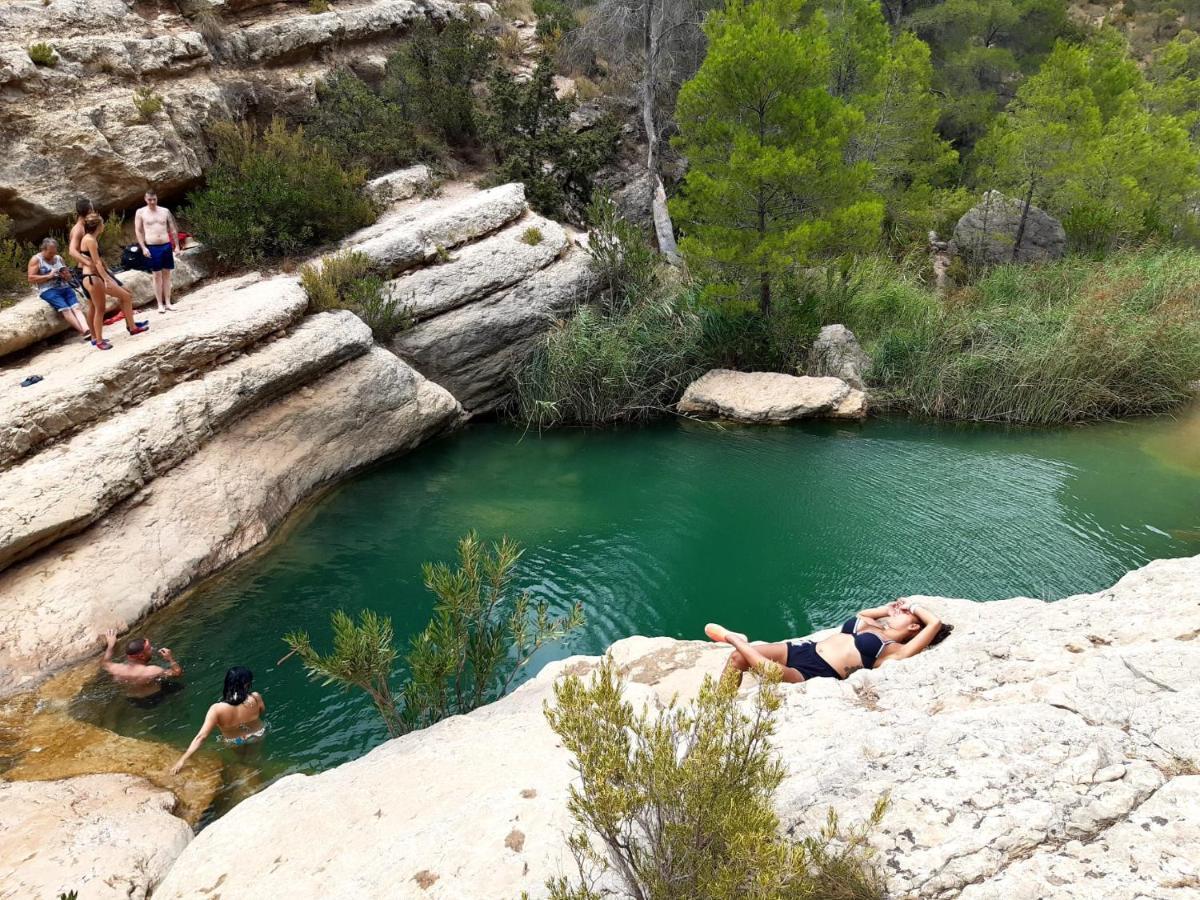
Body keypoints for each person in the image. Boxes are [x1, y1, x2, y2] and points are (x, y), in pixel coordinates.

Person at [706, 600, 951, 685]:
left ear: (914, 627)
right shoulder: (872, 624)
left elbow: (935, 623)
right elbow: (863, 614)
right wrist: (889, 609)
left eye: (904, 613)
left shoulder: (894, 651)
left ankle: (734, 638)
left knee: (764, 670)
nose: (898, 610)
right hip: (805, 649)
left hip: (816, 671)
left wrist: (914, 607)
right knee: (737, 659)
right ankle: (717, 708)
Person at [68, 197, 148, 335]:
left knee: (125, 293)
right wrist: (88, 263)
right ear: (89, 209)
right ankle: (95, 337)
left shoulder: (88, 226)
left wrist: (104, 268)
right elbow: (72, 251)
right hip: (87, 272)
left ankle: (131, 324)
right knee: (95, 306)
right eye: (92, 208)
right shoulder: (79, 229)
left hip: (97, 269)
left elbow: (94, 252)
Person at [171, 667, 267, 775]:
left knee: (242, 761)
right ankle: (260, 773)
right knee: (255, 757)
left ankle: (246, 774)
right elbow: (262, 711)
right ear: (246, 684)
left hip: (236, 741)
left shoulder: (216, 709)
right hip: (257, 734)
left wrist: (182, 759)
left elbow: (201, 737)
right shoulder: (255, 697)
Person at [26, 238, 89, 338]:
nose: (52, 255)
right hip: (48, 290)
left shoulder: (58, 258)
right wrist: (48, 276)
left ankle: (87, 329)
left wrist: (66, 276)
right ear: (43, 249)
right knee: (66, 309)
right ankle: (83, 331)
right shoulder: (36, 260)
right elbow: (31, 278)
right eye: (50, 253)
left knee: (76, 307)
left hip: (64, 286)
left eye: (54, 252)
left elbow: (68, 275)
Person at [101, 628, 184, 703]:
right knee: (180, 687)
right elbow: (177, 673)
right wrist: (170, 658)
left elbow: (105, 663)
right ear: (141, 656)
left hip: (131, 700)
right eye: (149, 649)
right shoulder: (152, 670)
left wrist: (111, 645)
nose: (151, 649)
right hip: (154, 698)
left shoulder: (116, 669)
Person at [134, 189, 180, 314]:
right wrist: (143, 247)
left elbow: (173, 228)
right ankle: (159, 304)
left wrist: (177, 246)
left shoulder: (164, 211)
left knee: (167, 273)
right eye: (150, 200)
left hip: (166, 244)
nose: (152, 202)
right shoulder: (141, 212)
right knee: (156, 275)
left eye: (154, 199)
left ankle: (168, 302)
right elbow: (138, 230)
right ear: (145, 199)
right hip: (152, 246)